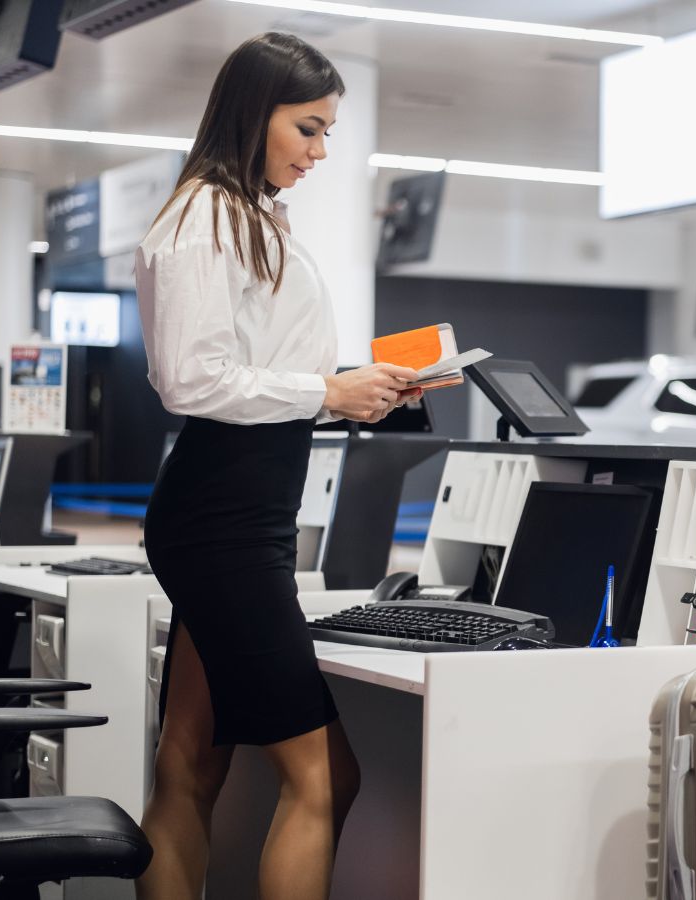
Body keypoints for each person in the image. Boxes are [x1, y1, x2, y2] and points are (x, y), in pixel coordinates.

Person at [134, 33, 421, 900]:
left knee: (191, 767)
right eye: (308, 127)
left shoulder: (248, 215)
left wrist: (353, 392)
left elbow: (264, 369)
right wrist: (328, 393)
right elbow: (189, 379)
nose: (321, 151)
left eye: (331, 131)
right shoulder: (202, 217)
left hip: (237, 513)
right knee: (326, 777)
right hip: (221, 520)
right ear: (254, 113)